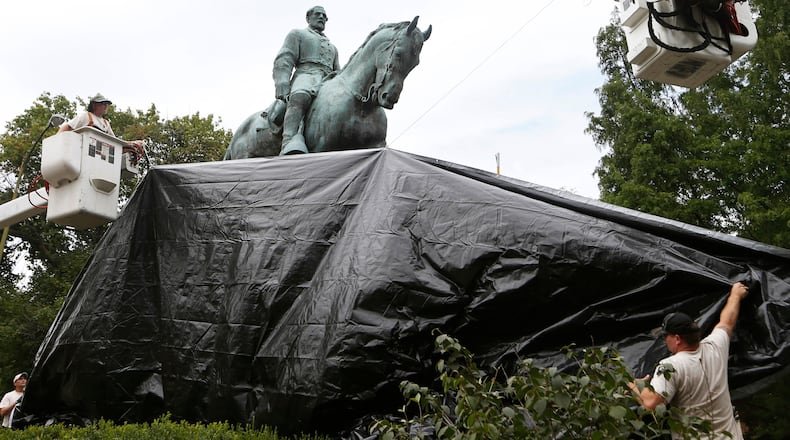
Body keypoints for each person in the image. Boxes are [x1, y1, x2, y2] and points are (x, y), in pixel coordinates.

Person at [629, 282, 750, 439]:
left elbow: (652, 404)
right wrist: (735, 295)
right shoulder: (715, 347)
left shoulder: (670, 367)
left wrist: (631, 384)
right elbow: (727, 321)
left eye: (666, 336)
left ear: (677, 338)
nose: (665, 341)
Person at [273, 5, 340, 154]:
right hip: (306, 74)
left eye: (324, 16)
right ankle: (288, 141)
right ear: (308, 17)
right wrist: (282, 82)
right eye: (318, 14)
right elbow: (285, 58)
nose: (322, 17)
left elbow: (338, 70)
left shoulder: (333, 48)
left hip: (328, 80)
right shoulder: (298, 34)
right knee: (300, 96)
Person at [58, 93, 143, 148]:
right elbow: (67, 127)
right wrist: (55, 143)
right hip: (82, 151)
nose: (106, 106)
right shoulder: (86, 116)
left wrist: (132, 144)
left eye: (106, 104)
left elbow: (115, 142)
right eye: (103, 104)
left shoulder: (106, 124)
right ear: (95, 105)